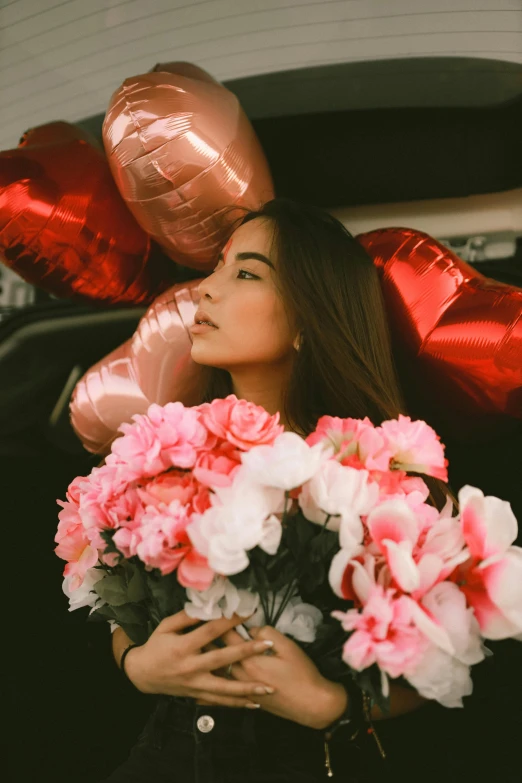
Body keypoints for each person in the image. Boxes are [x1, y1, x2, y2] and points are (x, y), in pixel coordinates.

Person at [99, 199, 485, 783]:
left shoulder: (389, 477)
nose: (206, 288)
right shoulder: (164, 451)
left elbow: (446, 658)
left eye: (246, 273)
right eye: (218, 267)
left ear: (309, 319)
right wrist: (136, 664)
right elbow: (117, 598)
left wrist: (331, 704)